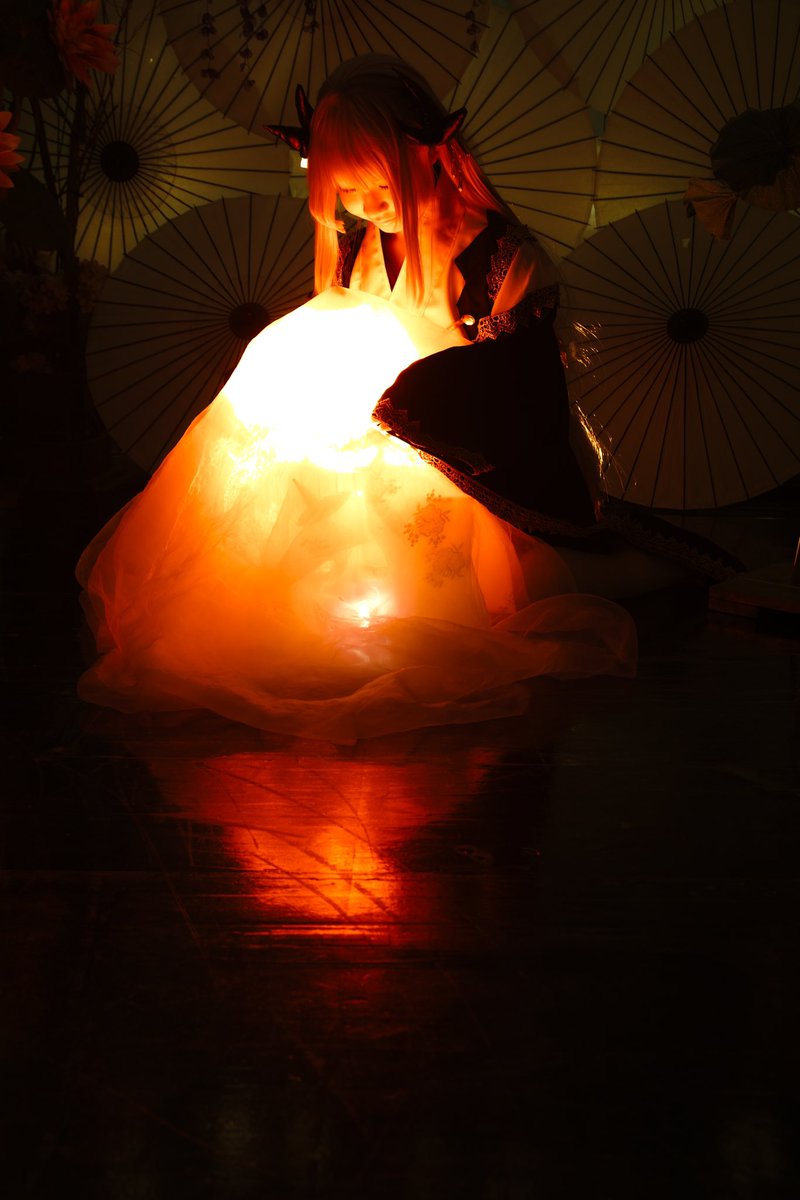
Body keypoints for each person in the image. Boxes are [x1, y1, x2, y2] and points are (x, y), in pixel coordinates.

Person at [77, 55, 710, 742]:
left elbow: (521, 398)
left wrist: (413, 405)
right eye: (348, 189)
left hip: (469, 462)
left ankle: (638, 571)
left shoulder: (501, 258)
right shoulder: (362, 250)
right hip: (370, 445)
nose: (368, 202)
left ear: (432, 149)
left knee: (513, 592)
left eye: (380, 181)